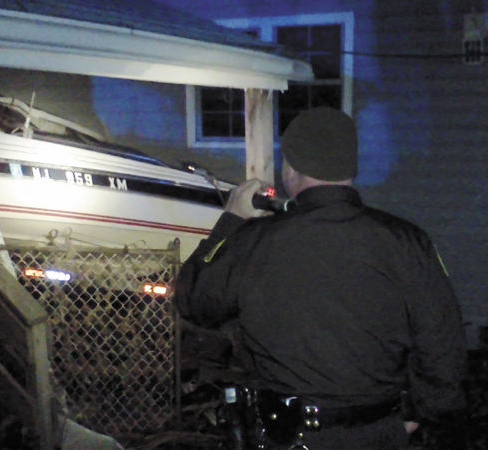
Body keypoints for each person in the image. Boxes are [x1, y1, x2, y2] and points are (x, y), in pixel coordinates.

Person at [175, 106, 468, 449]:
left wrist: (230, 222)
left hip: (284, 437)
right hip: (378, 435)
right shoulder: (407, 241)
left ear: (291, 168)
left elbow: (193, 301)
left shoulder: (253, 241)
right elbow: (443, 343)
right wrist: (419, 416)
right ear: (350, 169)